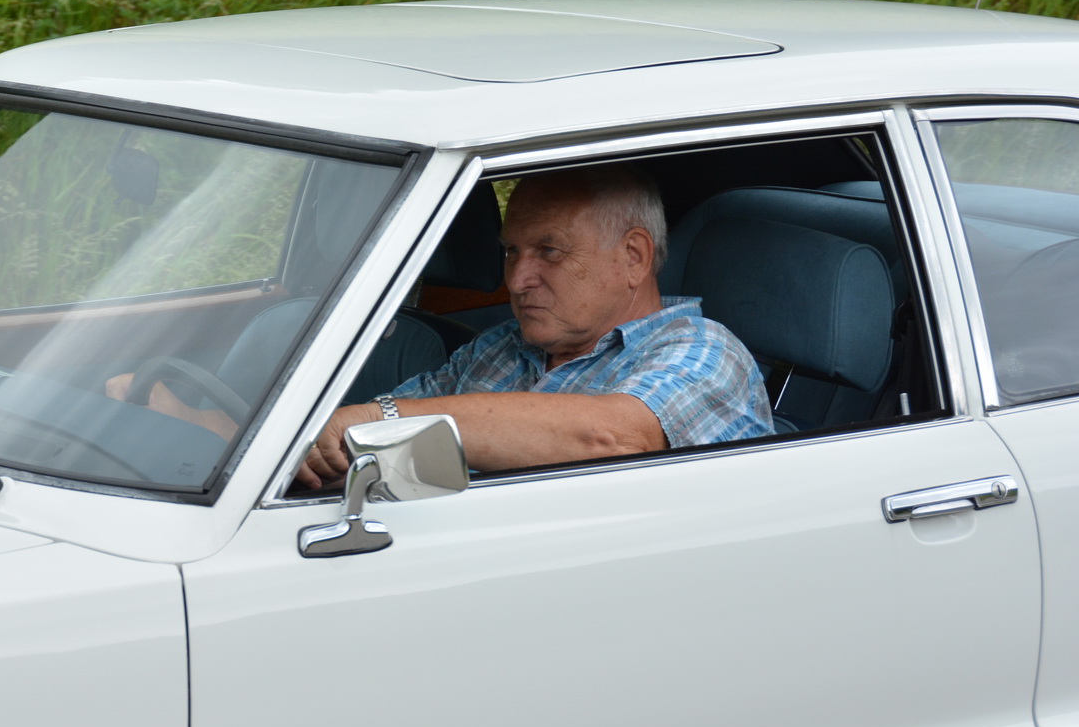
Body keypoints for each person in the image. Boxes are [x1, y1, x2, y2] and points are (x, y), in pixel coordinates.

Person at [296, 166, 772, 487]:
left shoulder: (704, 353)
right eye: (511, 252)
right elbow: (383, 457)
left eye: (550, 251)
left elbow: (610, 439)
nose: (518, 280)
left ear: (633, 257)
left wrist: (382, 419)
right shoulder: (500, 348)